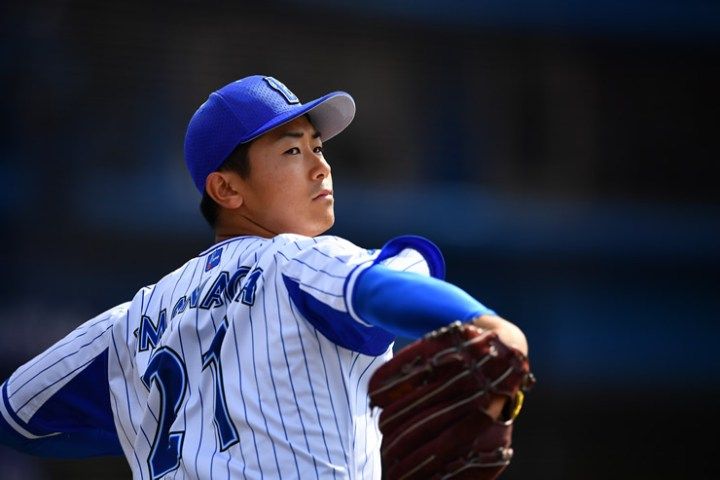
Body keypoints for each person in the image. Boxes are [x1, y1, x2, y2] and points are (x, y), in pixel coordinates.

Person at [0, 75, 527, 479]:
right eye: (292, 150)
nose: (320, 166)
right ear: (227, 190)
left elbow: (17, 417)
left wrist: (156, 422)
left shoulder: (128, 323)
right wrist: (485, 323)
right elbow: (379, 288)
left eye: (318, 147)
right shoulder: (296, 260)